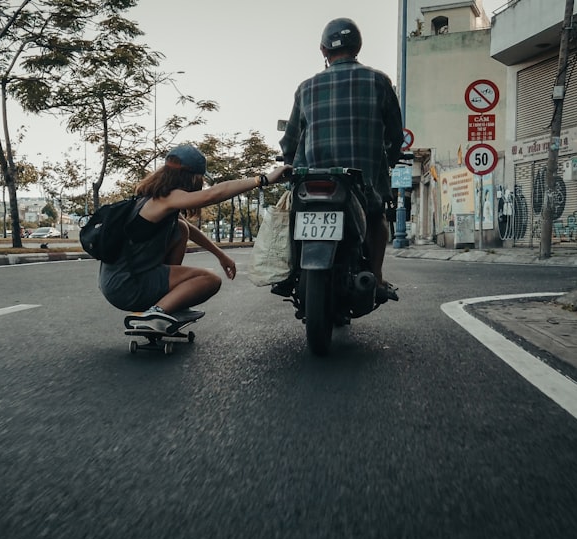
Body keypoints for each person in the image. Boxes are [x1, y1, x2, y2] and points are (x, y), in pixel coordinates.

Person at [279, 17, 405, 303]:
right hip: (362, 184)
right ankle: (376, 278)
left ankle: (290, 271)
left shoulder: (306, 88)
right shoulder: (378, 81)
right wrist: (391, 158)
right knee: (377, 218)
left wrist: (290, 161)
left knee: (294, 214)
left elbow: (290, 140)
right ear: (357, 46)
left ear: (323, 50)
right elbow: (396, 135)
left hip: (311, 181)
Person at [100, 144, 291, 332]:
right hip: (128, 285)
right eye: (199, 179)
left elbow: (190, 229)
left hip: (116, 281)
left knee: (181, 228)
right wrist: (263, 179)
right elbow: (213, 195)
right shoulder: (167, 199)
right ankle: (156, 312)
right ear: (191, 177)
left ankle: (171, 304)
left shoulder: (151, 199)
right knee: (209, 280)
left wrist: (221, 255)